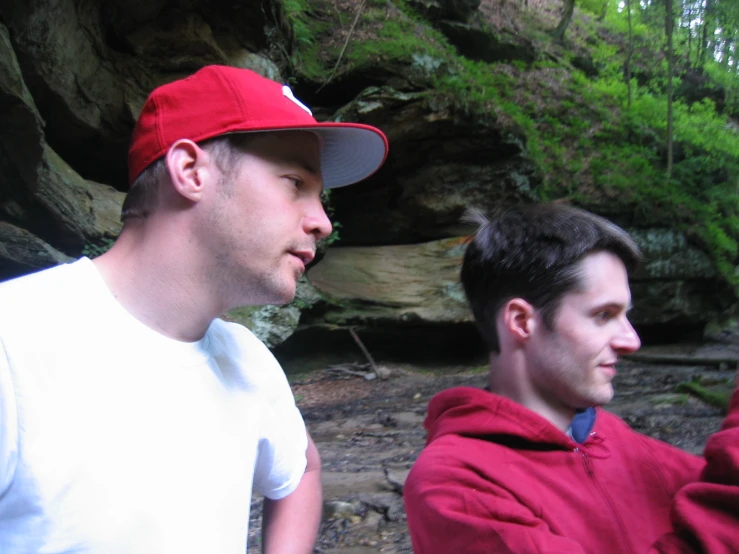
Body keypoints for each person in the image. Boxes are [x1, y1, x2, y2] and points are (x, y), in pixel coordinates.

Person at [0, 65, 388, 553]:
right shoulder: (14, 343)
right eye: (295, 183)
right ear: (190, 171)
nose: (322, 222)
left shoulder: (249, 361)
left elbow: (301, 467)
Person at [404, 203, 739, 553]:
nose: (632, 341)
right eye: (604, 315)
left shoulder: (622, 442)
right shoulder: (454, 485)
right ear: (521, 322)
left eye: (626, 315)